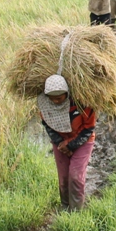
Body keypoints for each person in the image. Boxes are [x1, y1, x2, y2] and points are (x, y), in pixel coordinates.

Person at [38, 74, 96, 210]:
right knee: (63, 179)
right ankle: (65, 208)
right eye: (52, 99)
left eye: (59, 98)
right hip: (60, 142)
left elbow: (89, 128)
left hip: (83, 141)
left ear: (67, 94)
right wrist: (61, 144)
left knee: (75, 176)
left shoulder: (83, 104)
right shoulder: (45, 106)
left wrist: (70, 145)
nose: (56, 101)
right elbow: (47, 125)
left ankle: (76, 211)